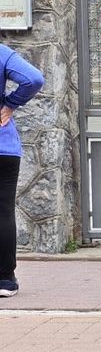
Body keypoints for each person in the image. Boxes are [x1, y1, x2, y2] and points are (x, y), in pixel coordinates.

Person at [0, 41, 44, 298]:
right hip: (4, 147)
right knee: (3, 211)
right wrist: (10, 104)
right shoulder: (2, 53)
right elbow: (33, 79)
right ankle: (5, 280)